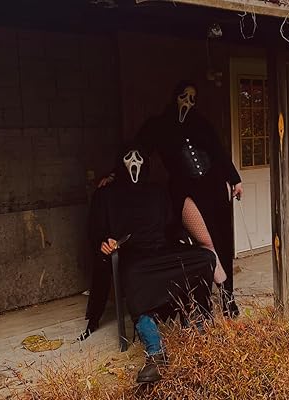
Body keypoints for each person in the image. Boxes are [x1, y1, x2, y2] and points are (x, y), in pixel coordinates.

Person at [100, 81, 243, 317]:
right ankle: (210, 299)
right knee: (206, 243)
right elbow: (136, 151)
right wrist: (115, 174)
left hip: (214, 187)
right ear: (174, 96)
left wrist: (235, 179)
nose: (188, 102)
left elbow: (218, 152)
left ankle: (228, 296)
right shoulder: (158, 125)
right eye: (184, 96)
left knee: (223, 241)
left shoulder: (202, 124)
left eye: (193, 99)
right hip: (184, 190)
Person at [89, 146, 216, 383]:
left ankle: (197, 329)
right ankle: (155, 351)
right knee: (133, 274)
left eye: (139, 158)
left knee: (205, 258)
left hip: (163, 250)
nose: (134, 164)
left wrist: (182, 238)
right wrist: (104, 243)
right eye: (128, 159)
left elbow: (170, 226)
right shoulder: (107, 195)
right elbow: (96, 232)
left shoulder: (157, 191)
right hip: (135, 257)